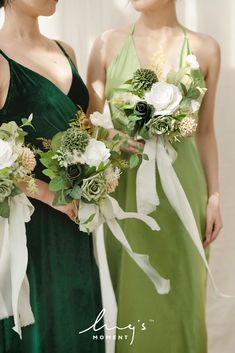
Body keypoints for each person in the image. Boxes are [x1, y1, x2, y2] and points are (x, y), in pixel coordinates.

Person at [87, 0, 222, 352]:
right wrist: (113, 135)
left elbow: (206, 131)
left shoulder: (206, 48)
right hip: (126, 193)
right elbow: (90, 120)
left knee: (184, 297)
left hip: (184, 190)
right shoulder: (106, 44)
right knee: (132, 294)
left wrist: (214, 197)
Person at [0, 1, 104, 352]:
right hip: (30, 224)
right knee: (44, 324)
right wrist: (48, 195)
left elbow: (82, 127)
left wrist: (107, 146)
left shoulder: (65, 50)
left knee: (79, 315)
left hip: (75, 218)